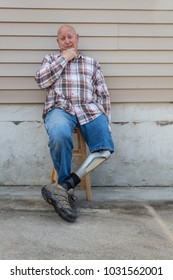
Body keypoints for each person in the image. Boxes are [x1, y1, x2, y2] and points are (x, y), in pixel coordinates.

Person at [35, 24, 114, 222]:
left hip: (89, 108)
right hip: (60, 109)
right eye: (63, 38)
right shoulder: (51, 60)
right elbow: (41, 81)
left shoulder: (91, 63)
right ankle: (64, 190)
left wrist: (107, 123)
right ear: (58, 42)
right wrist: (64, 59)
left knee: (105, 148)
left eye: (70, 37)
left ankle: (63, 188)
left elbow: (103, 94)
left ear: (77, 38)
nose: (67, 41)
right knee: (60, 135)